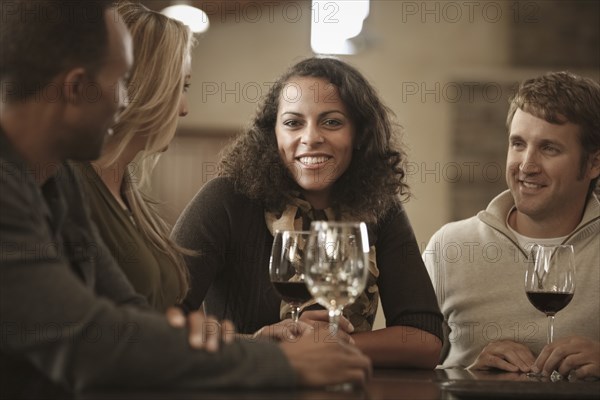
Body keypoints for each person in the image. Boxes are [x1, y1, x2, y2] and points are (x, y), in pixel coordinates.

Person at [0, 2, 371, 398]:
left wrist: (254, 345)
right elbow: (88, 342)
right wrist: (282, 364)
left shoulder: (58, 180)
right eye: (121, 81)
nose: (127, 100)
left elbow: (134, 319)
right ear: (76, 88)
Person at [172, 57, 444, 368]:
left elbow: (426, 338)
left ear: (359, 134)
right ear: (272, 134)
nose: (311, 137)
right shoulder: (226, 199)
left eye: (331, 122)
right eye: (293, 123)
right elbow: (159, 322)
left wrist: (330, 345)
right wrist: (257, 345)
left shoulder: (382, 208)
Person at [423, 71, 600, 380]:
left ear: (594, 163)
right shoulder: (448, 246)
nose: (527, 166)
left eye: (549, 148)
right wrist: (467, 372)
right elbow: (409, 375)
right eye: (518, 144)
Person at [73, 2, 195, 311]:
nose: (184, 109)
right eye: (182, 86)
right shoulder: (71, 184)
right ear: (148, 86)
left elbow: (162, 330)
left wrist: (255, 340)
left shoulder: (127, 189)